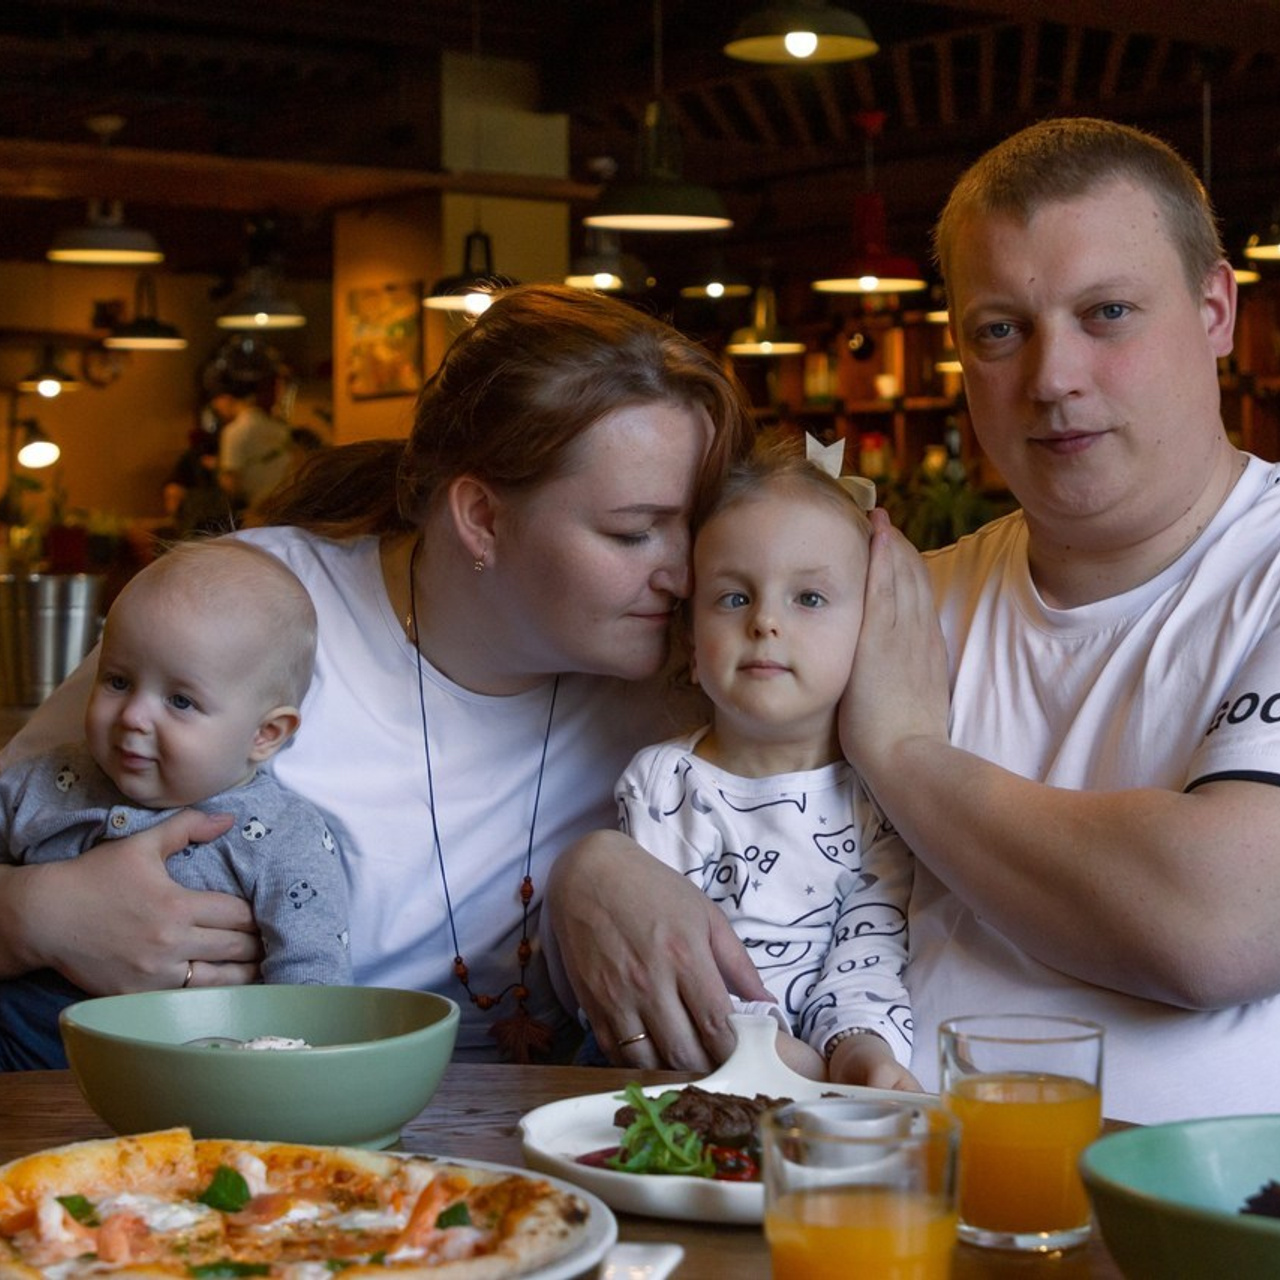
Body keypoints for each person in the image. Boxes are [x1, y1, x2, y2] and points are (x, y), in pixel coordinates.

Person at [547, 116, 1280, 1122]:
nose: (1051, 376)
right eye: (998, 329)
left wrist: (900, 749)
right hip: (853, 1197)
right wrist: (592, 870)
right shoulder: (889, 596)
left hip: (1184, 1221)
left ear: (1212, 311)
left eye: (1105, 312)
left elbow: (1218, 923)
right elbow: (676, 768)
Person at [0, 285, 764, 1066]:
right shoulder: (249, 608)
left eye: (693, 526)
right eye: (635, 532)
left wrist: (596, 865)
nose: (681, 572)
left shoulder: (709, 662)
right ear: (482, 518)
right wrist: (33, 914)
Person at [615, 440, 918, 1089]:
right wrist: (773, 1054)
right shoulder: (664, 785)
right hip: (690, 1080)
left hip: (825, 1091)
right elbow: (664, 960)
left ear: (867, 634)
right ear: (692, 646)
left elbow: (869, 947)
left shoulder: (879, 793)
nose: (766, 622)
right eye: (733, 598)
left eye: (808, 598)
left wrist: (862, 1050)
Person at [0, 539, 350, 1070]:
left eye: (180, 701)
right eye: (118, 681)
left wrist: (294, 1074)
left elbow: (311, 976)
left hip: (189, 1073)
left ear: (265, 733)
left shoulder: (285, 834)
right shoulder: (48, 779)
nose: (134, 716)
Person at [209, 373, 294, 521]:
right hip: (289, 501)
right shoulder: (278, 426)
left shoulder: (234, 432)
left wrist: (217, 470)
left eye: (217, 403)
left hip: (260, 510)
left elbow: (231, 483)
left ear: (226, 398)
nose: (217, 409)